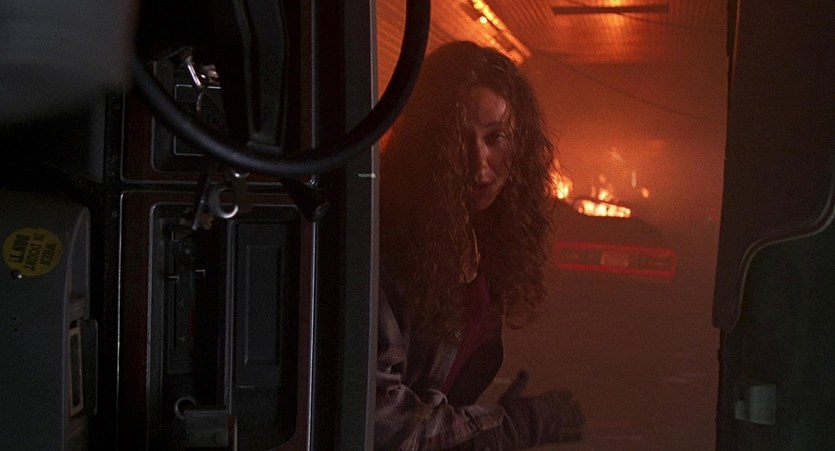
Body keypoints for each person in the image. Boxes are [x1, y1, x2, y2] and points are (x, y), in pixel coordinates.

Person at [376, 40, 586, 450]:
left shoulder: (482, 234)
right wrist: (503, 429)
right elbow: (379, 420)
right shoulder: (388, 244)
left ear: (519, 142)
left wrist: (480, 428)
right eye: (457, 140)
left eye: (495, 137)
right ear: (427, 143)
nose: (479, 165)